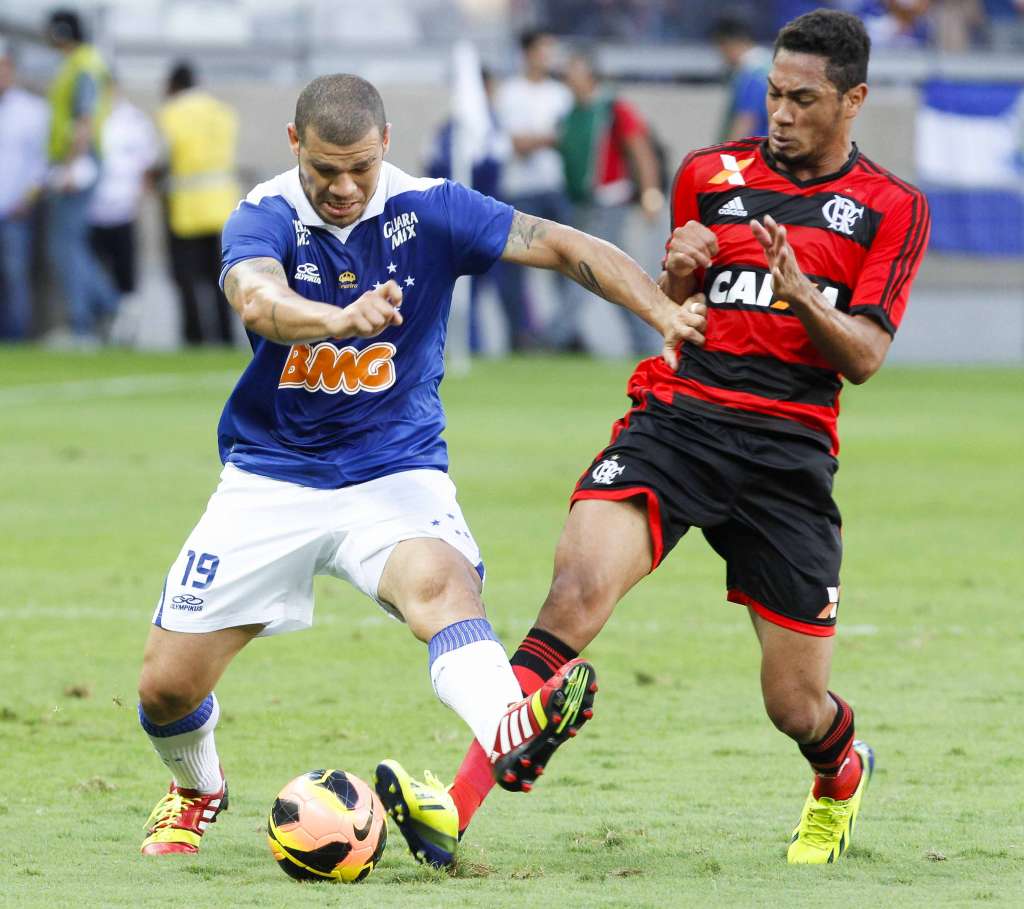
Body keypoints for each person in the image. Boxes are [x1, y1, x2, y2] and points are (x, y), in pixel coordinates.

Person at [383, 8, 931, 869]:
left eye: (803, 99)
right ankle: (451, 812)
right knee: (574, 592)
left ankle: (839, 773)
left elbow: (862, 355)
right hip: (680, 422)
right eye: (773, 94)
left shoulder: (891, 208)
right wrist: (678, 267)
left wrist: (801, 294)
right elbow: (680, 310)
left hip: (787, 456)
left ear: (854, 99)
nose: (781, 113)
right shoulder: (710, 172)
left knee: (795, 704)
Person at [135, 73, 706, 858]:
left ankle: (509, 722)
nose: (343, 187)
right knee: (165, 685)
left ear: (387, 146)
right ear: (295, 145)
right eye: (325, 169)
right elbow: (256, 301)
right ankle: (198, 787)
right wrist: (335, 318)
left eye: (360, 168)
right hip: (272, 475)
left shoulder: (432, 208)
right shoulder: (264, 213)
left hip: (393, 471)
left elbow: (566, 244)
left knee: (440, 584)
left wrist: (662, 312)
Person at [554, 50, 664, 356]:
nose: (570, 81)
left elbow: (640, 150)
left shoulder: (613, 109)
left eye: (575, 74)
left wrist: (650, 193)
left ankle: (555, 336)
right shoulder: (572, 114)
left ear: (590, 77)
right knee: (611, 276)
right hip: (583, 203)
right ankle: (643, 341)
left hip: (610, 201)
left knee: (586, 267)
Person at [493, 29, 574, 351]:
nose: (548, 57)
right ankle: (518, 336)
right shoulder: (511, 93)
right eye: (543, 49)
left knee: (569, 263)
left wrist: (540, 140)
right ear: (527, 53)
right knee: (516, 266)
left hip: (555, 187)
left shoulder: (561, 93)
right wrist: (552, 139)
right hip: (520, 190)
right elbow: (518, 143)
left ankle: (564, 334)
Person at [424, 66, 514, 353]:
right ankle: (474, 347)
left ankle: (521, 343)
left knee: (505, 290)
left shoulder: (490, 130)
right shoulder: (450, 131)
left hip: (495, 220)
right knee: (468, 291)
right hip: (459, 224)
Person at [44, 8, 119, 345]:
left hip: (78, 160)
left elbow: (83, 119)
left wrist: (71, 165)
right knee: (69, 244)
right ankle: (107, 306)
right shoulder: (85, 62)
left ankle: (84, 322)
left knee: (65, 245)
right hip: (79, 159)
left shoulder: (82, 65)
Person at [157, 61, 240, 346]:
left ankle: (195, 336)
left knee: (187, 279)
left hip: (187, 208)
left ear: (173, 85)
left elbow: (163, 157)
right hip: (222, 206)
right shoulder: (221, 111)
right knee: (221, 278)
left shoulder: (172, 113)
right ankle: (225, 335)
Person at [89, 77, 161, 342]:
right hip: (93, 208)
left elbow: (147, 166)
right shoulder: (92, 118)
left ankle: (126, 328)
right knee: (96, 268)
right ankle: (102, 322)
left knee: (124, 270)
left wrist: (139, 199)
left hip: (123, 207)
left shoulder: (134, 122)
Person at [0, 42, 49, 340]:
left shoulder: (32, 111)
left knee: (14, 276)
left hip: (15, 209)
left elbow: (42, 161)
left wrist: (28, 196)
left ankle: (16, 339)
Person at [711, 15, 772, 142]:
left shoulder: (751, 75)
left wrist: (725, 156)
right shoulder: (771, 63)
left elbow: (745, 121)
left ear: (726, 44)